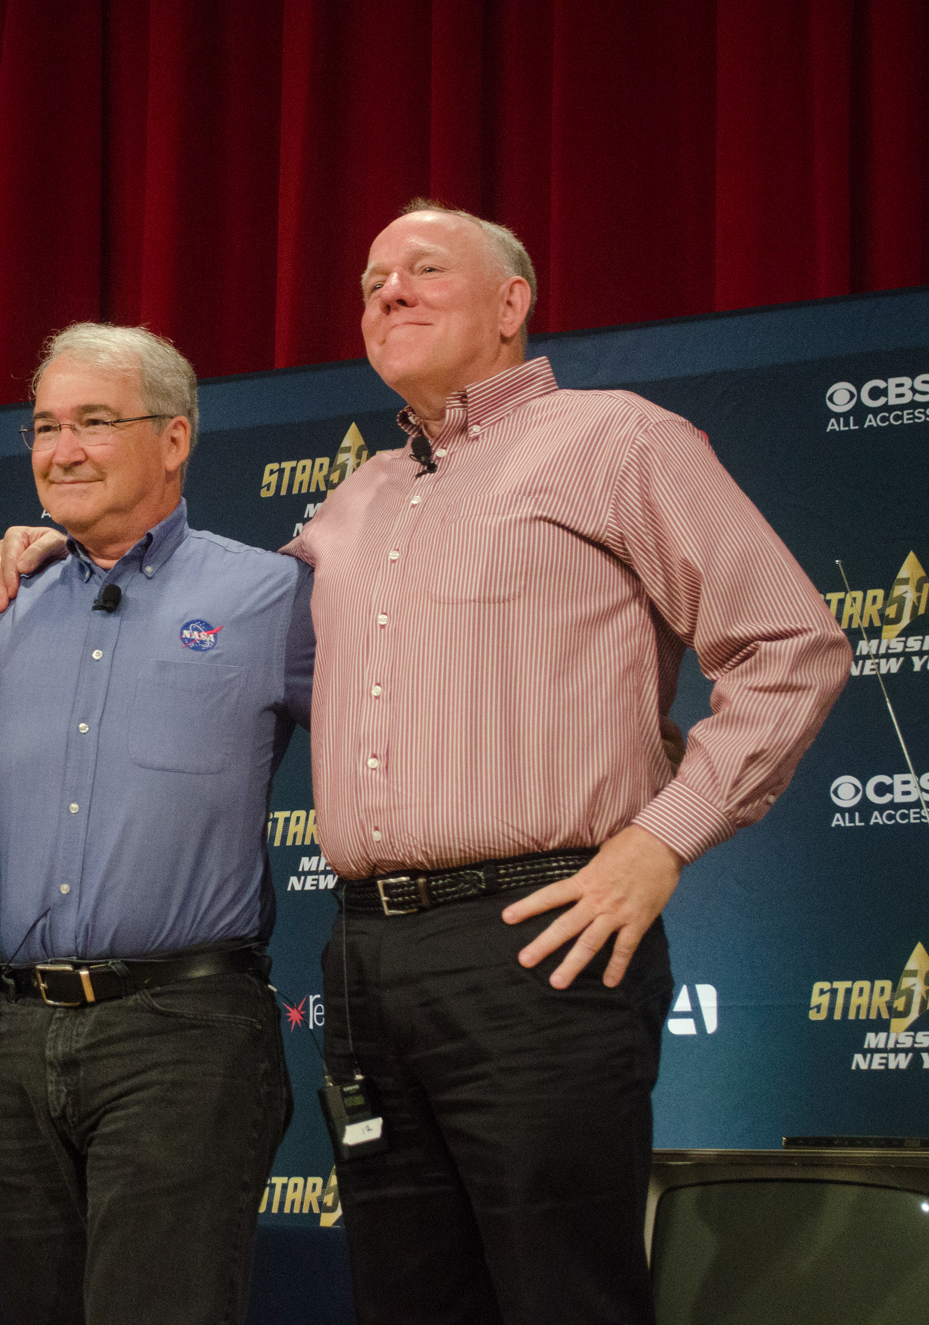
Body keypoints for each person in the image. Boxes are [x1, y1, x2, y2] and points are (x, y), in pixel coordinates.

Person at [275, 200, 850, 1324]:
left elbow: (790, 645)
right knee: (406, 1299)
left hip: (537, 936)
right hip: (363, 959)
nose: (383, 290)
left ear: (510, 303)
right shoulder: (353, 497)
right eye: (368, 276)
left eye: (422, 267)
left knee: (559, 1296)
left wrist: (657, 837)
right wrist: (70, 547)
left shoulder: (613, 438)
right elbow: (211, 633)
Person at [0, 324, 313, 1324]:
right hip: (11, 1034)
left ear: (172, 440)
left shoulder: (271, 595)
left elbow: (399, 731)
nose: (60, 448)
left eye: (92, 422)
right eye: (43, 425)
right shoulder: (3, 602)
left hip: (181, 1033)